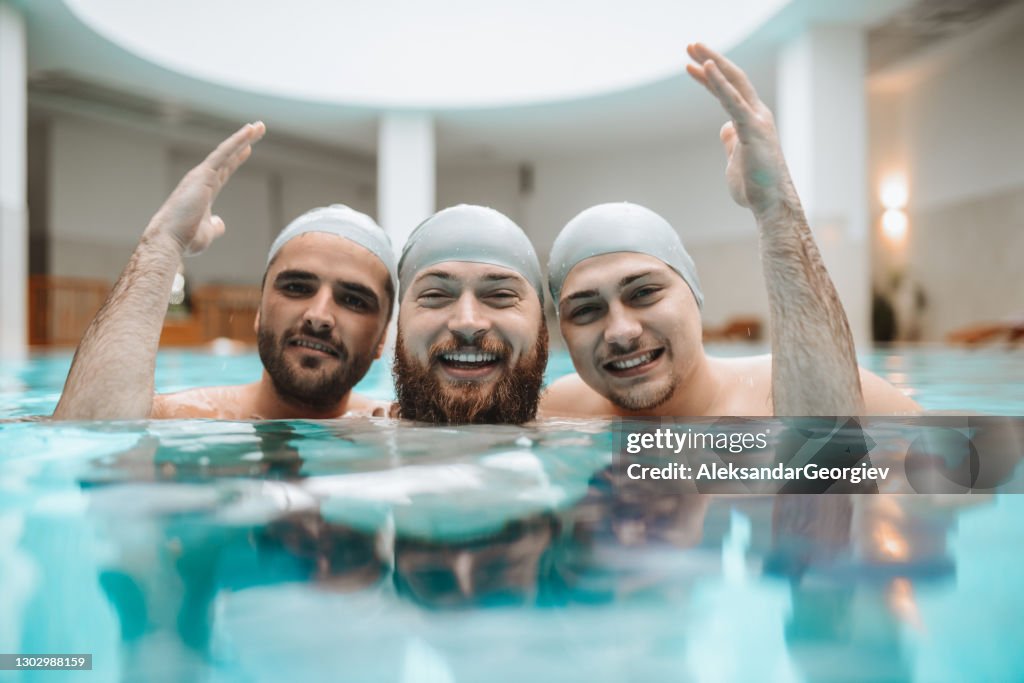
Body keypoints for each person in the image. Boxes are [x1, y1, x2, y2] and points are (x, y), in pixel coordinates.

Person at [540, 44, 919, 418]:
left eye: (644, 293)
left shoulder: (824, 395)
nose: (621, 331)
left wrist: (775, 210)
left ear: (695, 294)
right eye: (586, 310)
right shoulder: (560, 412)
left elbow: (960, 470)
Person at [53, 123, 397, 420]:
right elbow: (90, 432)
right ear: (260, 313)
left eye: (353, 300)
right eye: (296, 288)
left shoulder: (389, 427)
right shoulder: (192, 417)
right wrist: (162, 243)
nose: (319, 316)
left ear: (382, 338)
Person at [392, 204, 548, 424]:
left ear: (543, 325)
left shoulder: (602, 430)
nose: (467, 322)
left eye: (501, 295)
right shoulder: (346, 431)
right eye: (435, 295)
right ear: (399, 322)